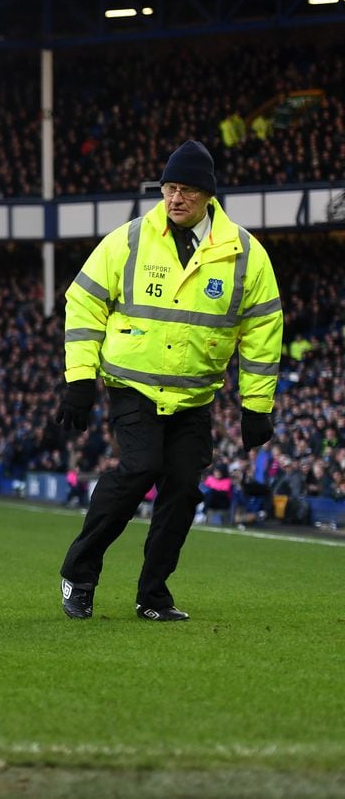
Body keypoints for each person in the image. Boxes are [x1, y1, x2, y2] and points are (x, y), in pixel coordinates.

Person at [55, 140, 281, 622]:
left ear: (208, 196)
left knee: (182, 488)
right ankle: (79, 572)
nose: (175, 198)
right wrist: (78, 378)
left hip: (194, 396)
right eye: (169, 188)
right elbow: (84, 302)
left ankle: (153, 594)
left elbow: (263, 329)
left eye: (186, 190)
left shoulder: (246, 254)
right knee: (140, 468)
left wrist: (257, 405)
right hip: (132, 386)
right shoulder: (129, 239)